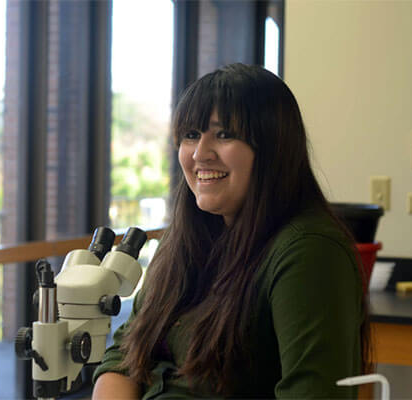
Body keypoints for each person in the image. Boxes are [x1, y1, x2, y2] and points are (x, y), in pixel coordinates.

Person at [92, 63, 371, 399]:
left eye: (224, 134)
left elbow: (313, 394)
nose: (199, 154)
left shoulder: (308, 251)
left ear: (272, 147)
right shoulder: (186, 240)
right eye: (191, 135)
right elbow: (123, 355)